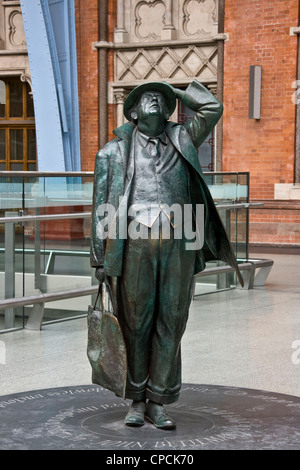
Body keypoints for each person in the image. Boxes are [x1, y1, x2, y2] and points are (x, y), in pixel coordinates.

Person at [90, 80, 243, 430]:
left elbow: (212, 108)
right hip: (133, 244)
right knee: (136, 323)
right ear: (132, 114)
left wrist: (179, 90)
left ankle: (159, 400)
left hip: (179, 242)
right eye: (148, 99)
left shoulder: (183, 139)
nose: (156, 101)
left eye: (162, 99)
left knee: (172, 321)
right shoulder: (111, 154)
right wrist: (99, 258)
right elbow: (100, 205)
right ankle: (137, 399)